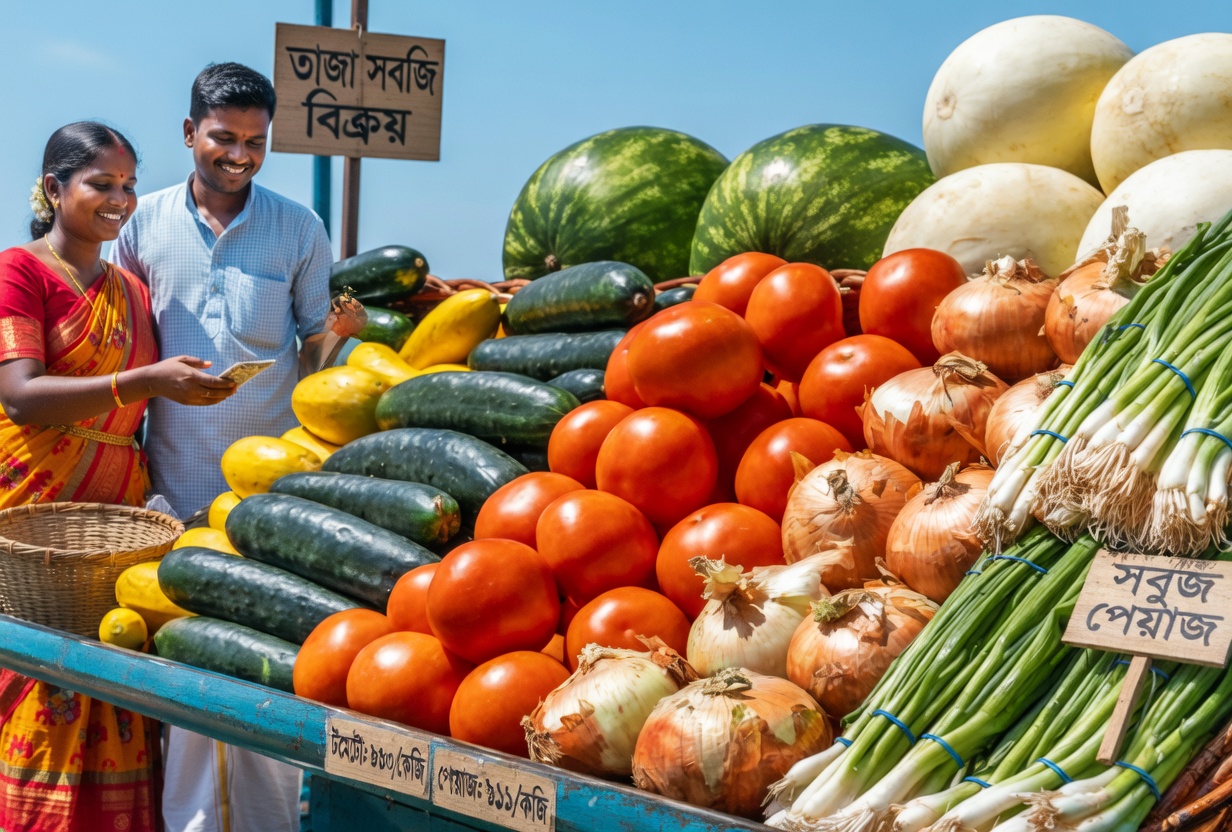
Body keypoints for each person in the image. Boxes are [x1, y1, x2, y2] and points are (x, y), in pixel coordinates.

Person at [114, 62, 337, 832]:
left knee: (265, 679)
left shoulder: (300, 228)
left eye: (255, 141)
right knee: (182, 687)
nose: (239, 154)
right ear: (189, 134)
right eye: (222, 138)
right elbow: (122, 352)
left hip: (270, 507)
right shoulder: (139, 223)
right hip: (169, 495)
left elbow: (316, 355)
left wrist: (341, 343)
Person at [0, 122, 236, 832]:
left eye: (129, 185)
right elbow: (19, 393)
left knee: (117, 672)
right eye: (101, 184)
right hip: (35, 511)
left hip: (118, 519)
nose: (120, 199)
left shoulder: (130, 289)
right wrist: (145, 382)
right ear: (54, 189)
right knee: (38, 680)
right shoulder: (22, 271)